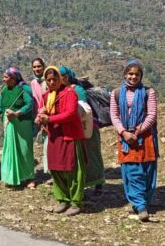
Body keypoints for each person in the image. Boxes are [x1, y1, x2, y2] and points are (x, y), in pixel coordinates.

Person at [110, 59, 159, 222]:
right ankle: (140, 205)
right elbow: (114, 115)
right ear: (125, 74)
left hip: (145, 137)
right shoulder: (116, 93)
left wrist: (137, 132)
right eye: (130, 74)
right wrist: (124, 132)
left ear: (141, 76)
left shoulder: (148, 92)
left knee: (147, 171)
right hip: (125, 138)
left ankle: (143, 200)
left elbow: (151, 115)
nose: (133, 77)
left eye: (137, 74)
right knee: (132, 171)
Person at [35, 66, 86, 216]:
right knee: (56, 168)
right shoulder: (47, 96)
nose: (51, 82)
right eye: (48, 80)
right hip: (54, 136)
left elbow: (70, 114)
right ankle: (63, 198)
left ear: (60, 78)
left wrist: (49, 119)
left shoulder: (70, 93)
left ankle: (76, 201)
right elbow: (44, 111)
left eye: (54, 79)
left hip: (70, 135)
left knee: (73, 169)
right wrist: (41, 116)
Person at [59, 66, 105, 196]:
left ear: (66, 77)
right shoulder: (61, 91)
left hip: (87, 128)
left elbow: (82, 108)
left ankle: (98, 184)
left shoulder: (77, 90)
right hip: (75, 129)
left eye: (60, 76)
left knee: (92, 156)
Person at [0, 67, 35, 189]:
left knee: (24, 150)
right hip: (9, 124)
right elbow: (1, 106)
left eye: (6, 77)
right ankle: (11, 177)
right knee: (10, 149)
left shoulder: (23, 89)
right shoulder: (4, 90)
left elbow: (30, 104)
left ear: (13, 78)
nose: (4, 79)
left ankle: (30, 177)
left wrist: (17, 113)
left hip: (22, 123)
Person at [30, 57, 49, 182]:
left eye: (39, 66)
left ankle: (53, 172)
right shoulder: (33, 83)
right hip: (37, 117)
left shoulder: (49, 81)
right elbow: (35, 101)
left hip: (48, 116)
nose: (37, 69)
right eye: (35, 67)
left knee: (49, 145)